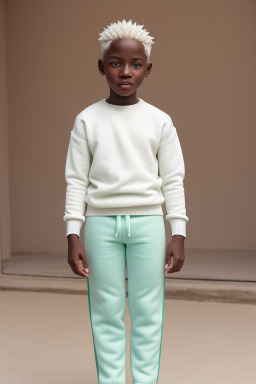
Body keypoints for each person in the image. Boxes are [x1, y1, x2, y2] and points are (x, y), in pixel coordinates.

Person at [63, 19, 189, 384]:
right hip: (101, 225)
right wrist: (74, 233)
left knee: (148, 311)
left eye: (135, 65)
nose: (125, 72)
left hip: (148, 224)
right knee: (106, 310)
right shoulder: (86, 120)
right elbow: (75, 179)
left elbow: (173, 179)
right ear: (102, 67)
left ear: (148, 69)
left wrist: (177, 232)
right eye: (115, 62)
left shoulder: (160, 121)